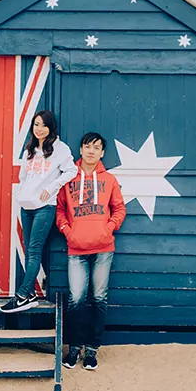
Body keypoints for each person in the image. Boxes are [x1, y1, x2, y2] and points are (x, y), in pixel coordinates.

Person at [55, 132, 126, 371]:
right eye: (87, 146)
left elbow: (119, 209)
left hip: (104, 248)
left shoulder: (110, 180)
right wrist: (68, 231)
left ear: (102, 152)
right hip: (76, 248)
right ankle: (74, 348)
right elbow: (60, 211)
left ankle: (92, 351)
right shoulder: (68, 179)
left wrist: (109, 228)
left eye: (97, 147)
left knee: (98, 299)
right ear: (81, 149)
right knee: (75, 299)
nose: (91, 151)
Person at [0, 110, 77, 313]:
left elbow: (72, 171)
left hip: (45, 208)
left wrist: (51, 188)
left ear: (51, 127)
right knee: (29, 252)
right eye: (36, 124)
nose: (39, 129)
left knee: (34, 252)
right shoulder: (30, 150)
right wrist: (20, 194)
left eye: (43, 125)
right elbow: (22, 176)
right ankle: (31, 294)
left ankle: (23, 295)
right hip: (27, 207)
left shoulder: (60, 149)